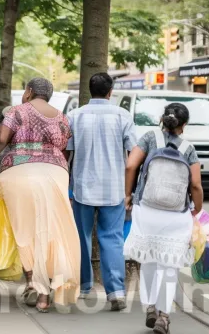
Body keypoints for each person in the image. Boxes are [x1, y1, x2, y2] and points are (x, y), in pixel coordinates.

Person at [0, 78, 80, 312]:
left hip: (20, 171)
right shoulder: (61, 116)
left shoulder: (17, 112)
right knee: (53, 228)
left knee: (25, 229)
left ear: (28, 92)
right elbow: (65, 146)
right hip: (56, 172)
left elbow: (0, 139)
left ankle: (36, 287)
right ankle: (50, 286)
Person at [124, 103, 202, 334]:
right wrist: (197, 210)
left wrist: (128, 195)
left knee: (147, 259)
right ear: (184, 125)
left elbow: (130, 165)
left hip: (146, 209)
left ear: (162, 119)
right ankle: (164, 316)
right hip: (176, 214)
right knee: (170, 265)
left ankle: (150, 307)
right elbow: (196, 185)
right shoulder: (188, 148)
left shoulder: (150, 137)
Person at [66, 72, 137, 311]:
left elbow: (67, 153)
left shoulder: (74, 116)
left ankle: (84, 285)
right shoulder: (123, 115)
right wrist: (130, 190)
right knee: (112, 239)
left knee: (81, 237)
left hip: (83, 187)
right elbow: (132, 155)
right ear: (110, 92)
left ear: (89, 90)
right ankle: (116, 291)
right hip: (113, 188)